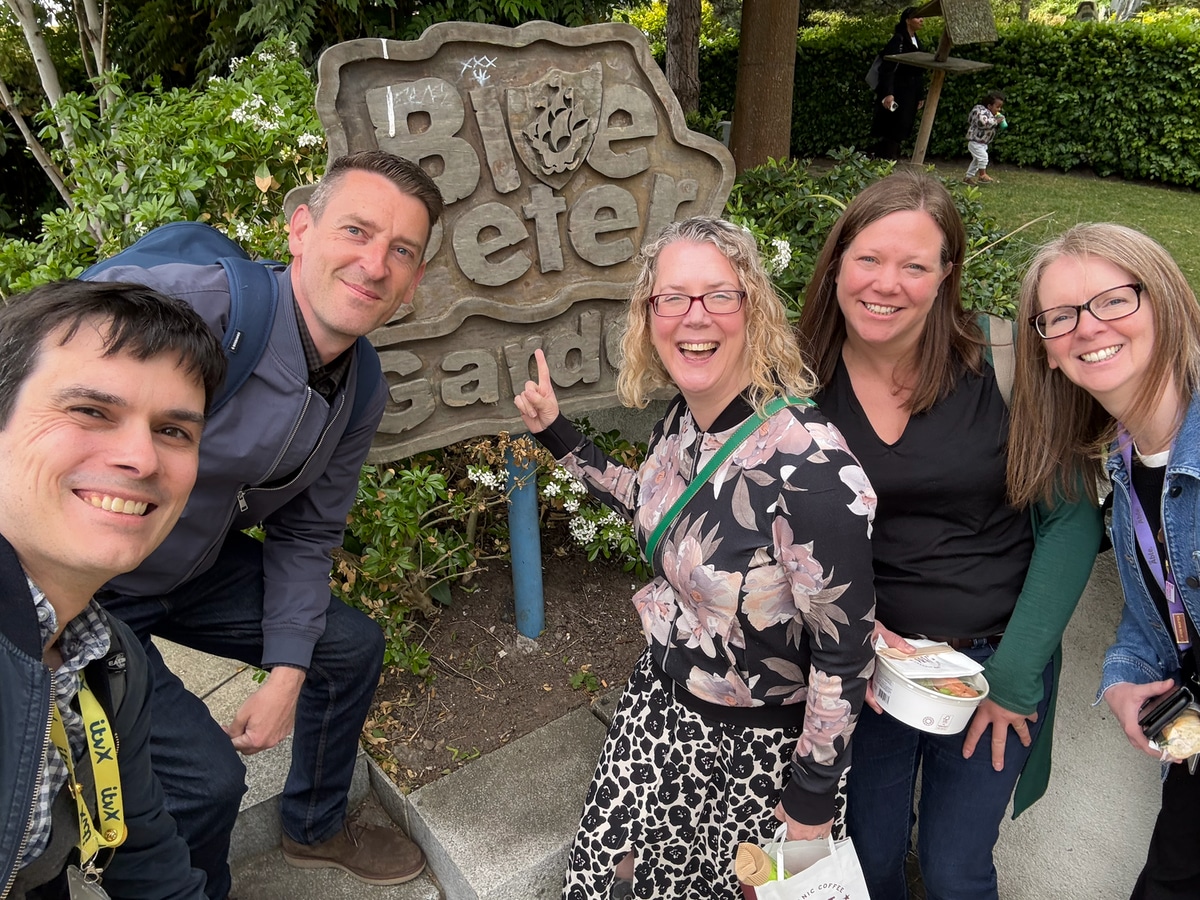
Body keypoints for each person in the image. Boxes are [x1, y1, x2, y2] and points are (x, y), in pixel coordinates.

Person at [87, 150, 444, 897]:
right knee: (205, 783)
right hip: (82, 582)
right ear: (301, 230)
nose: (374, 264)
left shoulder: (359, 385)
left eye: (401, 251)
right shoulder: (191, 307)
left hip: (189, 567)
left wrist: (286, 671)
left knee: (346, 646)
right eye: (356, 230)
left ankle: (314, 826)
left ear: (412, 285)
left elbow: (309, 533)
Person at [514, 216, 877, 900]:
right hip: (659, 713)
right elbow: (653, 510)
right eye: (671, 298)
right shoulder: (686, 424)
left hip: (761, 759)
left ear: (753, 310)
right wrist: (556, 434)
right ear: (649, 317)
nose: (693, 316)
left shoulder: (812, 469)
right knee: (603, 880)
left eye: (719, 295)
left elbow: (845, 652)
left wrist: (809, 803)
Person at [794, 170, 1102, 900]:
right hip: (861, 678)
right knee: (864, 862)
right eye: (869, 258)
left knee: (957, 869)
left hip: (993, 667)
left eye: (914, 265)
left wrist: (1018, 679)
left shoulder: (1001, 364)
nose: (886, 283)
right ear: (837, 261)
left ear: (945, 276)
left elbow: (1070, 519)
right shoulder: (795, 384)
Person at [0, 279, 226, 899]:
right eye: (91, 412)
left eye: (174, 431)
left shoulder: (106, 657)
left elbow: (146, 851)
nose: (142, 459)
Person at [1008, 223, 1200, 900]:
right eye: (1060, 317)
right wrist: (1125, 676)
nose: (1088, 328)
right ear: (1049, 354)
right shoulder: (1126, 464)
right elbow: (1162, 613)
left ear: (1166, 304)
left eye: (1115, 300)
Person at [871, 7, 926, 160]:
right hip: (898, 90)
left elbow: (919, 70)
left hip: (911, 91)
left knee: (904, 124)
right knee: (893, 124)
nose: (921, 20)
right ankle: (885, 157)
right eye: (917, 17)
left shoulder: (916, 41)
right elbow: (887, 68)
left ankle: (890, 156)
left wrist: (920, 94)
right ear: (907, 20)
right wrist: (888, 93)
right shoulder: (898, 39)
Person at [964, 91, 1007, 185]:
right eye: (997, 107)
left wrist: (995, 119)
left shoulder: (989, 114)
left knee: (976, 161)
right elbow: (983, 123)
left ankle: (968, 178)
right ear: (989, 106)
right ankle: (982, 175)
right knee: (983, 158)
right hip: (975, 141)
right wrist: (996, 121)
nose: (999, 109)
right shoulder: (981, 112)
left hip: (982, 143)